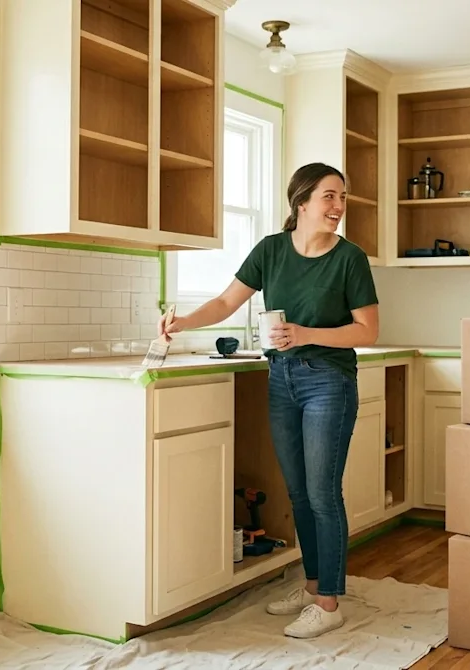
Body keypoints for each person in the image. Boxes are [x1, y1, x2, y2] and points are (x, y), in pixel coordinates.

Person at [159, 162, 379, 639]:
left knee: (323, 492)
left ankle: (329, 602)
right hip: (281, 380)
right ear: (301, 202)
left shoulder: (350, 259)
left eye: (342, 197)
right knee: (298, 491)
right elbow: (224, 303)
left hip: (329, 382)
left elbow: (368, 329)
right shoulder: (271, 251)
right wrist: (180, 325)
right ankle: (313, 584)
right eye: (329, 196)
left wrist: (303, 333)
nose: (338, 207)